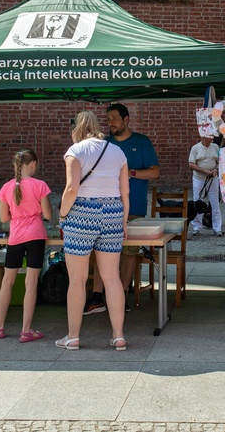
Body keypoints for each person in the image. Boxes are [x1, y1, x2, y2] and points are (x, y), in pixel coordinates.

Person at [56, 110, 129, 351]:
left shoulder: (75, 151)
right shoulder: (117, 151)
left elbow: (71, 190)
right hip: (112, 212)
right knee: (112, 278)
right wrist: (124, 221)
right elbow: (125, 192)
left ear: (77, 128)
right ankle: (118, 336)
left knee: (77, 279)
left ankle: (73, 336)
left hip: (82, 214)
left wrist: (63, 216)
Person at [85, 103, 159, 315]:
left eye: (115, 118)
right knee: (103, 253)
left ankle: (122, 295)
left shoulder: (141, 142)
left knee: (128, 253)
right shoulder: (103, 144)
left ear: (126, 120)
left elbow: (155, 172)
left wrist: (131, 173)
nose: (111, 123)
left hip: (133, 208)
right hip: (104, 208)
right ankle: (98, 297)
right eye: (108, 119)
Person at [0, 149, 52, 343]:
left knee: (7, 282)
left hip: (16, 237)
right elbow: (47, 215)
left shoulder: (7, 187)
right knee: (31, 282)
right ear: (33, 164)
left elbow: (3, 217)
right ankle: (26, 330)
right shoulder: (40, 185)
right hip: (36, 236)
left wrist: (19, 215)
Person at [188, 135, 222, 236]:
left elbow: (220, 161)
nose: (212, 138)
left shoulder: (215, 147)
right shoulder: (196, 148)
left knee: (215, 202)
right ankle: (196, 227)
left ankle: (217, 227)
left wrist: (216, 169)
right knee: (197, 202)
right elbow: (191, 164)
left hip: (213, 179)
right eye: (209, 137)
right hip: (199, 178)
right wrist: (204, 171)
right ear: (203, 137)